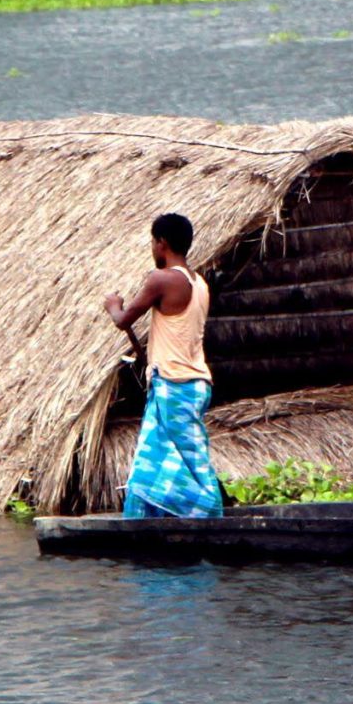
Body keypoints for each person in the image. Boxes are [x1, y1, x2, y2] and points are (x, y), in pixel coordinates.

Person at [105, 211, 221, 518]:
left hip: (176, 383)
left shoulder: (162, 279)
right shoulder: (199, 284)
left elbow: (124, 320)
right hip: (192, 383)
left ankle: (207, 513)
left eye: (153, 242)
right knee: (167, 458)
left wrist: (113, 305)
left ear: (163, 243)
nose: (152, 249)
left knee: (179, 461)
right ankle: (162, 519)